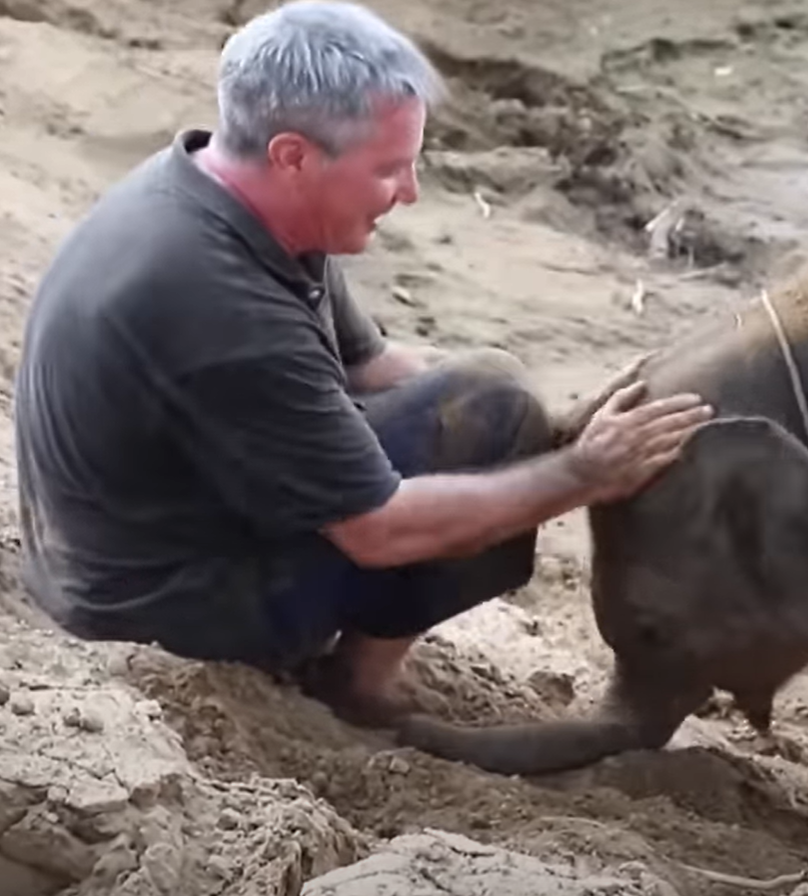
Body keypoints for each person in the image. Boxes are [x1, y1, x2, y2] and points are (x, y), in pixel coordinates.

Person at [11, 0, 713, 727]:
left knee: (492, 398)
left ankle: (356, 657)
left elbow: (371, 364)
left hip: (131, 537)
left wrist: (560, 429)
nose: (408, 193)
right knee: (490, 419)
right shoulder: (220, 303)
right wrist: (581, 475)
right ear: (293, 154)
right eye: (389, 169)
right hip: (150, 609)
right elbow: (379, 530)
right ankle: (355, 686)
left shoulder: (231, 196)